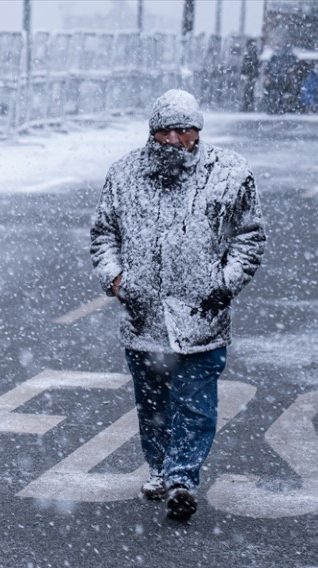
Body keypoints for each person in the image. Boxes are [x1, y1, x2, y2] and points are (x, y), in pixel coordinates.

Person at [91, 89, 265, 523]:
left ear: (197, 131)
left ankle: (182, 478)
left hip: (203, 314)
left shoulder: (230, 173)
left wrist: (224, 284)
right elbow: (103, 233)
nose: (173, 138)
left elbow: (249, 235)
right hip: (143, 316)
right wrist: (117, 281)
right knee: (153, 404)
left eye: (182, 129)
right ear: (152, 132)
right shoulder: (124, 173)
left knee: (196, 402)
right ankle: (158, 466)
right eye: (164, 130)